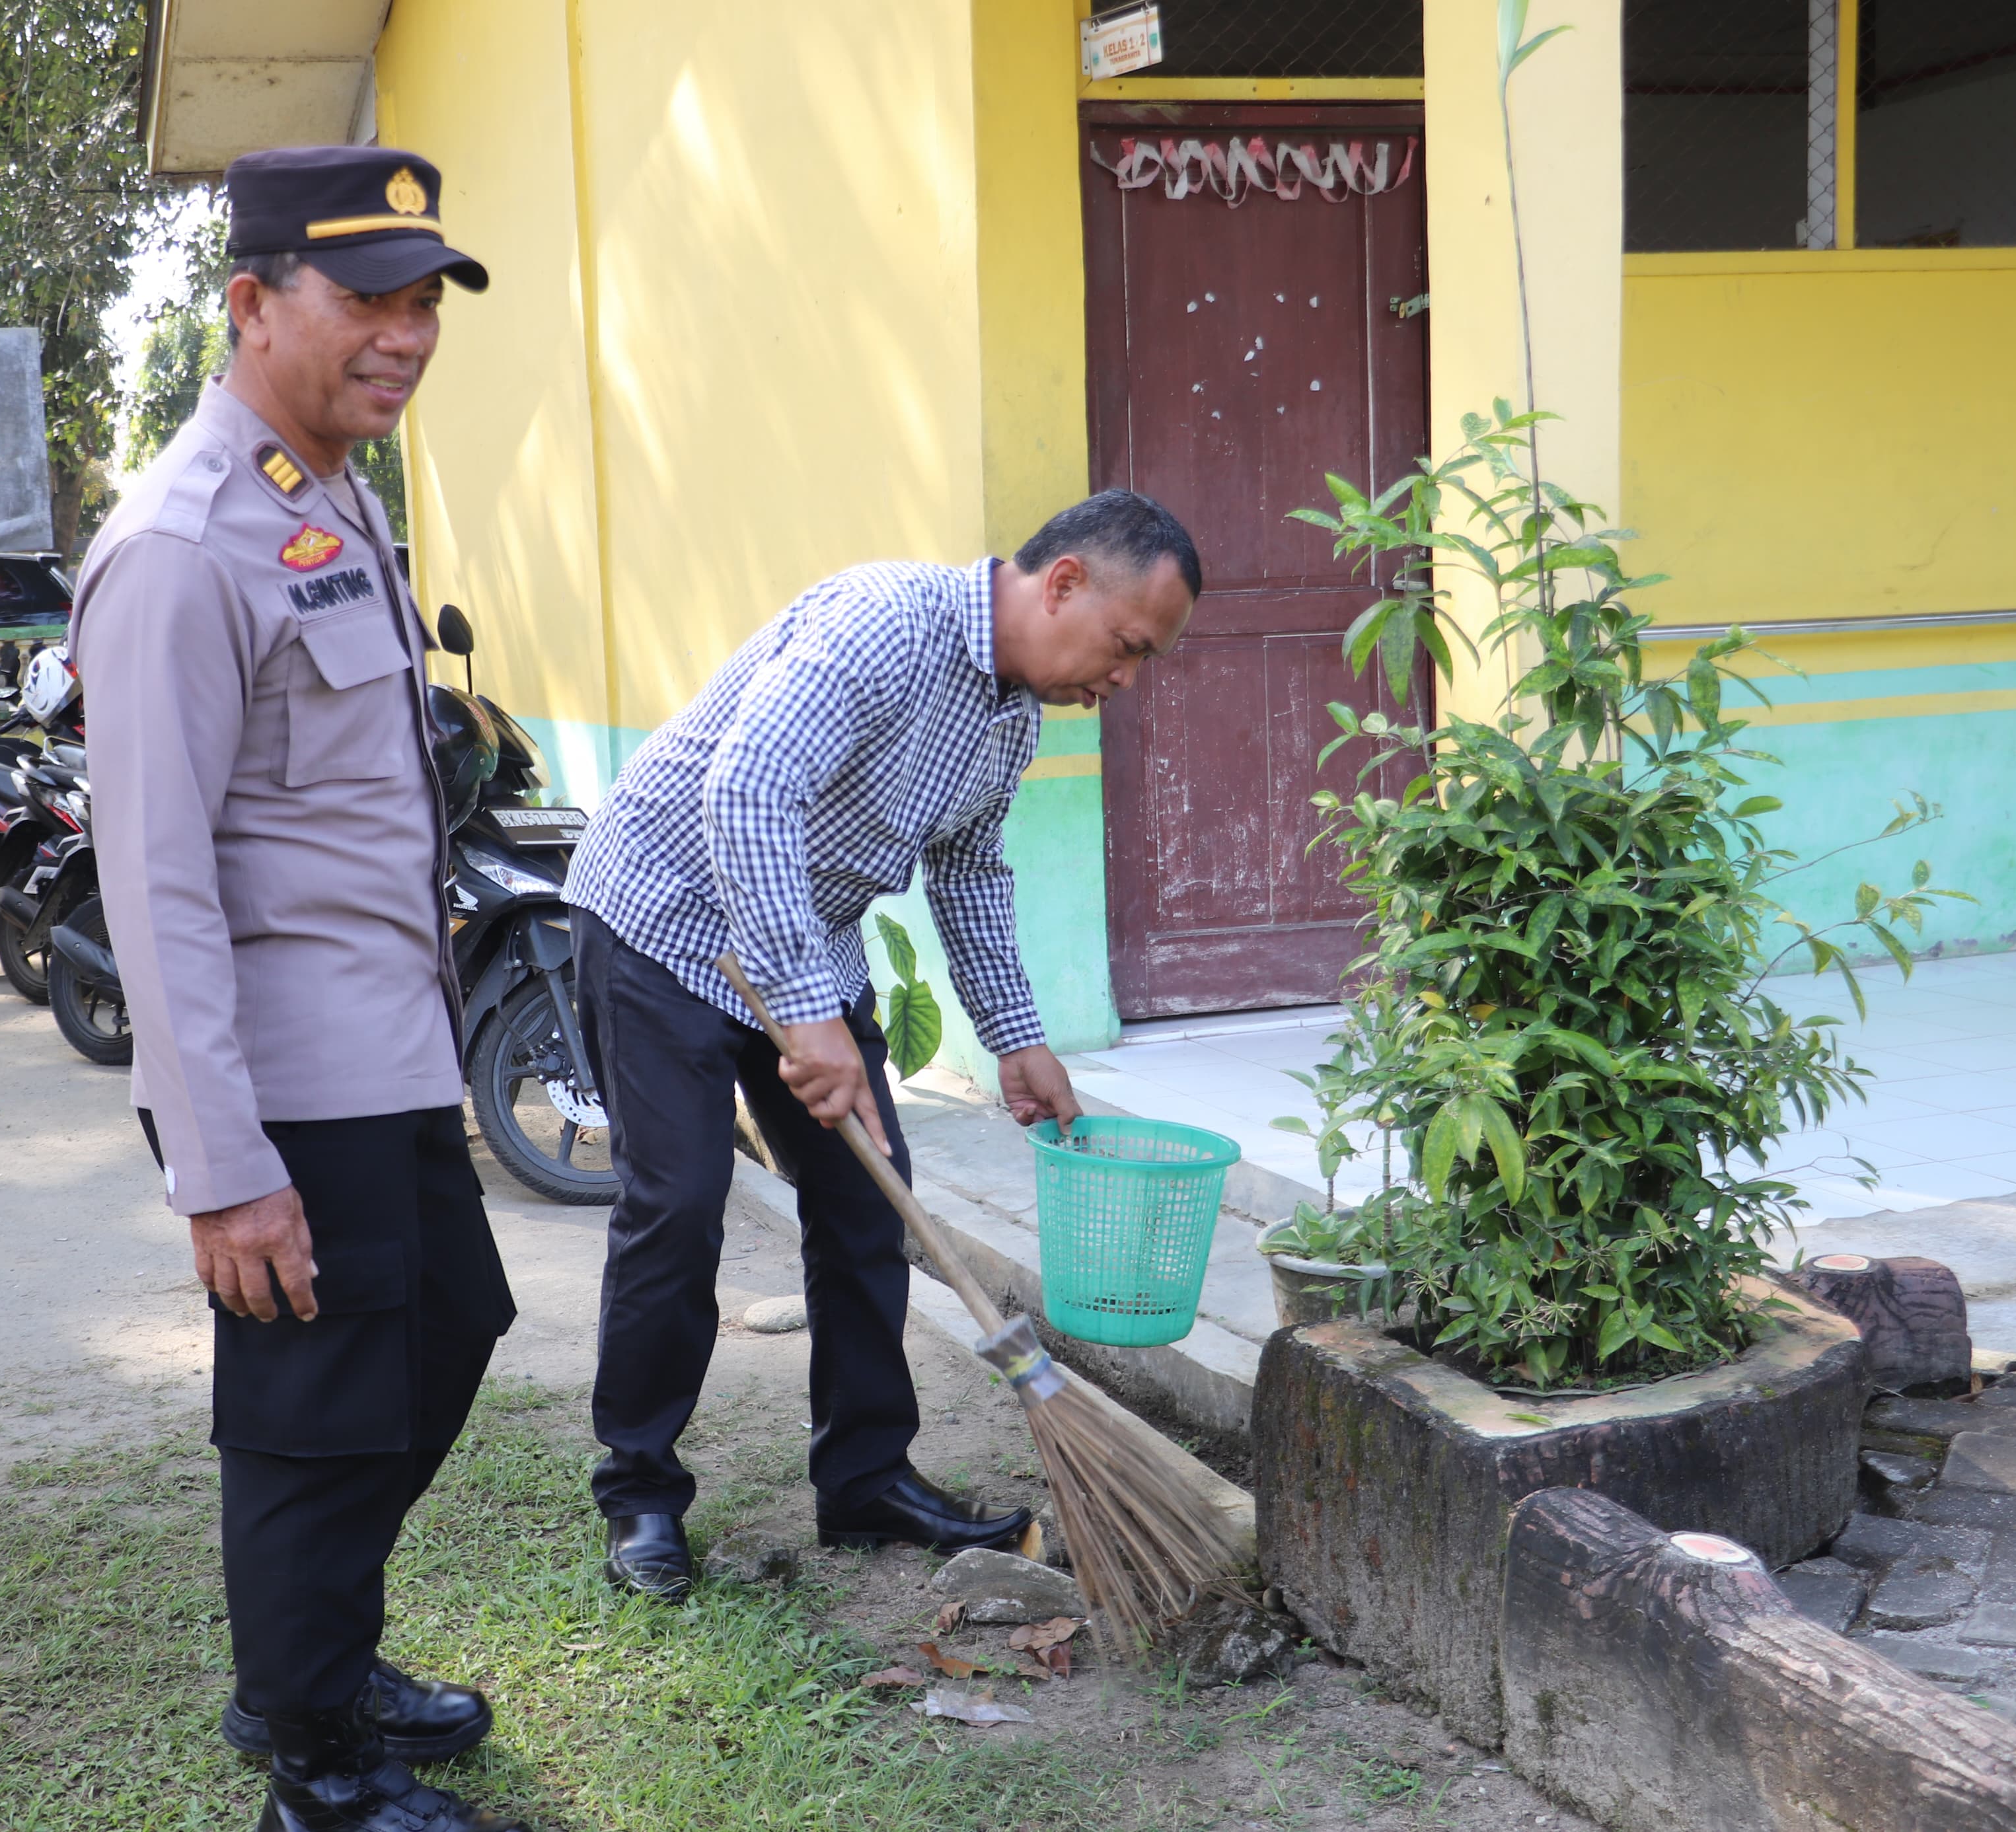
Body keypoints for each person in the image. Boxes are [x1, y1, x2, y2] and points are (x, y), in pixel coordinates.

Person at [71, 146, 525, 1832]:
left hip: (392, 1041)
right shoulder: (184, 545)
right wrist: (223, 1166)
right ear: (254, 303)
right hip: (285, 1084)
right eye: (370, 298)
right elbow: (154, 880)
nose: (407, 335)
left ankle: (316, 1655)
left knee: (447, 1333)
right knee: (312, 1418)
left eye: (426, 302)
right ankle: (312, 1759)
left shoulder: (328, 494)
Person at [563, 489, 1202, 1604]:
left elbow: (968, 871)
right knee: (679, 1202)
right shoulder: (883, 623)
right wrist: (808, 1013)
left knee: (867, 1205)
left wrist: (1016, 1038)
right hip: (659, 921)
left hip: (803, 942)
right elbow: (748, 792)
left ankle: (864, 1477)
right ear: (1064, 584)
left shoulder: (1011, 718)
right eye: (1129, 645)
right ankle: (642, 1491)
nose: (1127, 680)